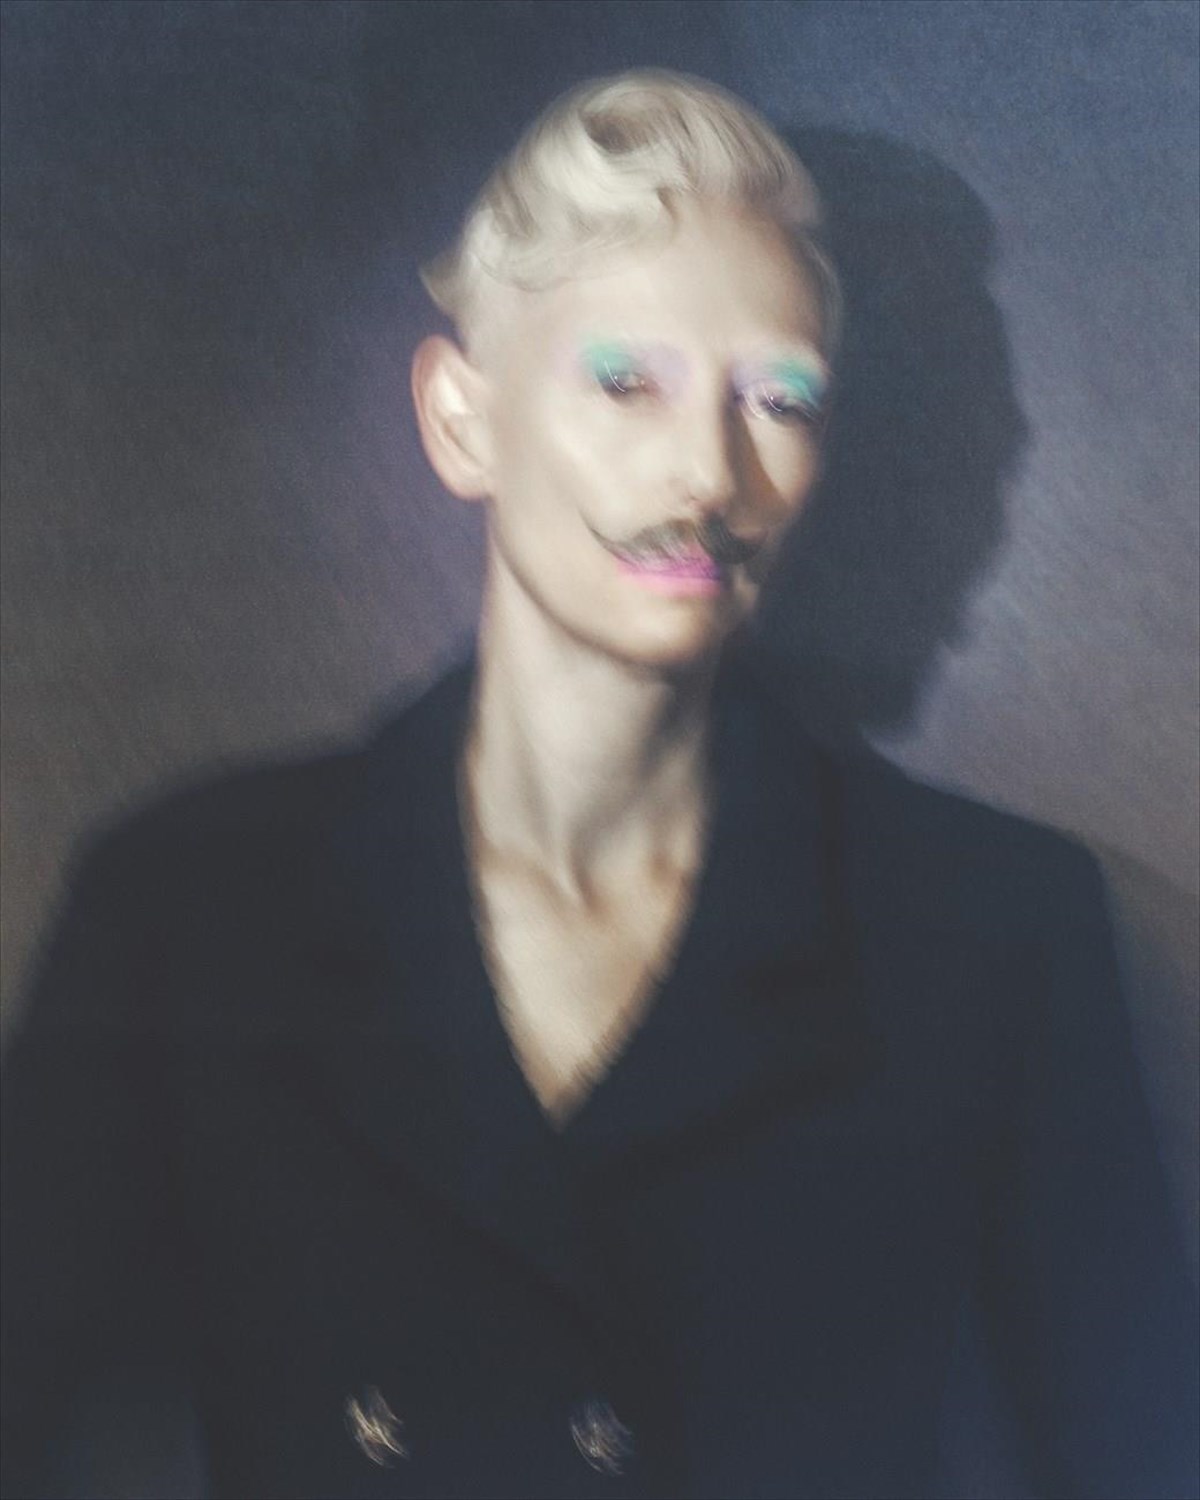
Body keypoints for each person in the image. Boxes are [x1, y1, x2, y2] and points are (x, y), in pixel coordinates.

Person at [1, 69, 1196, 1500]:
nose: (708, 474)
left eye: (780, 398)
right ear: (462, 421)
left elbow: (1139, 1454)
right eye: (627, 382)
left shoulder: (996, 929)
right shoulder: (190, 902)